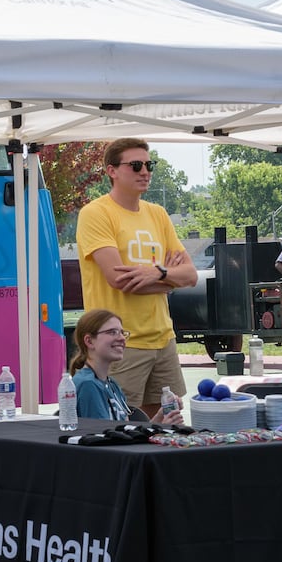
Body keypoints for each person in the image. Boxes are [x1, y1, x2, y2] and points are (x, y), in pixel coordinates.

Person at [76, 138, 197, 420]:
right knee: (120, 426)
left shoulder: (158, 214)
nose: (145, 171)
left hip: (163, 340)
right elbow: (120, 280)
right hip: (120, 343)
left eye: (148, 164)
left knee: (166, 425)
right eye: (136, 165)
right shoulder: (96, 213)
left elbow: (191, 276)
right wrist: (169, 282)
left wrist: (157, 273)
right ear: (112, 171)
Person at [68, 309, 134, 421]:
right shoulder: (88, 385)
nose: (122, 338)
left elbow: (127, 429)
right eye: (112, 332)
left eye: (122, 332)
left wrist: (161, 421)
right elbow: (101, 435)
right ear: (89, 341)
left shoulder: (111, 383)